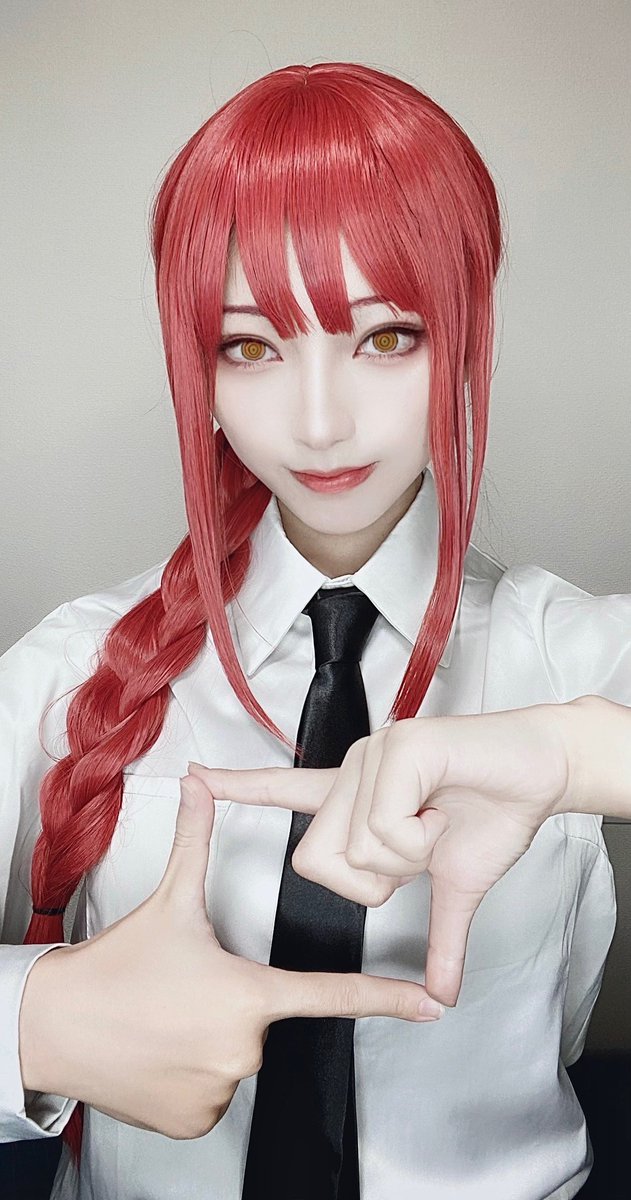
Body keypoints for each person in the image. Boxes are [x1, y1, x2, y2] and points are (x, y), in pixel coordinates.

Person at [0, 60, 628, 1200]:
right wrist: (34, 1021)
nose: (320, 419)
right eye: (250, 346)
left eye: (386, 337)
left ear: (466, 332)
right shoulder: (70, 667)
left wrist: (577, 751)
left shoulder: (567, 649)